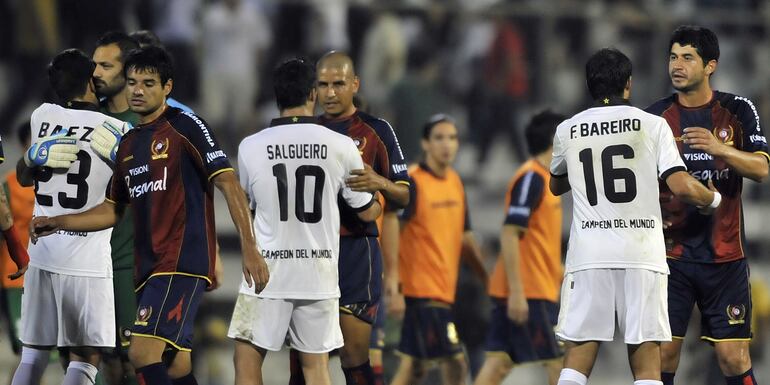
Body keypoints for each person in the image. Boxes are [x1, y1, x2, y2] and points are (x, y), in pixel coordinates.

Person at [30, 46, 268, 385]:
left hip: (181, 259)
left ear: (167, 87)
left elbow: (228, 183)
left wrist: (251, 249)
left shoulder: (185, 126)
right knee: (176, 367)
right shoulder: (129, 143)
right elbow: (113, 209)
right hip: (149, 267)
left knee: (140, 353)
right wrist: (59, 222)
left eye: (148, 83)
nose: (137, 90)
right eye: (132, 82)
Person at [548, 48, 720, 385]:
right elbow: (682, 186)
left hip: (590, 254)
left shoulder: (568, 129)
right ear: (628, 84)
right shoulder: (653, 126)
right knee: (646, 363)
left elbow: (556, 184)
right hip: (641, 254)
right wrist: (712, 198)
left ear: (589, 85)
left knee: (577, 358)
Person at [228, 58, 382, 385]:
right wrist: (380, 193)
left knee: (247, 359)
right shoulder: (341, 146)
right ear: (312, 94)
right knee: (316, 368)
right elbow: (367, 211)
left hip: (268, 272)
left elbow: (249, 206)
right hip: (320, 272)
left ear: (276, 96)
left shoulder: (250, 147)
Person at [646, 25, 769, 385]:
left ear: (710, 65)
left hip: (725, 259)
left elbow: (762, 168)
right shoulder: (654, 119)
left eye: (687, 58)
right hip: (671, 259)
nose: (676, 65)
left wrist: (720, 149)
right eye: (672, 57)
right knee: (664, 354)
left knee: (732, 358)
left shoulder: (737, 110)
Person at [288, 51, 411, 385]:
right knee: (302, 361)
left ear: (354, 84)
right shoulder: (304, 131)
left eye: (338, 84)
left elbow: (404, 194)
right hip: (309, 253)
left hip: (356, 252)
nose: (330, 93)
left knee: (354, 356)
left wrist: (380, 182)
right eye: (323, 85)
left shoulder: (376, 130)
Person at [11, 48, 128, 385]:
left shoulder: (41, 116)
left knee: (33, 354)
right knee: (86, 357)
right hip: (86, 260)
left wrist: (31, 157)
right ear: (91, 80)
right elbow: (120, 208)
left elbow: (22, 177)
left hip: (43, 254)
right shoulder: (116, 128)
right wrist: (127, 159)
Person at [390, 114, 487, 385]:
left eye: (453, 138)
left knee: (415, 368)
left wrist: (488, 279)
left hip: (444, 292)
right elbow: (391, 232)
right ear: (425, 143)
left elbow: (466, 238)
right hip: (420, 292)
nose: (447, 144)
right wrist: (394, 287)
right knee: (456, 362)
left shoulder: (455, 182)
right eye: (439, 138)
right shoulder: (412, 182)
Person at [473, 110, 565, 385]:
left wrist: (561, 271)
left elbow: (537, 241)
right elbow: (510, 233)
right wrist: (516, 293)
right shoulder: (531, 178)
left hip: (531, 288)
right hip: (528, 292)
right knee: (562, 363)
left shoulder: (546, 180)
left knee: (499, 364)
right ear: (556, 141)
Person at [91, 30, 142, 385]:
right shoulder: (82, 119)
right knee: (104, 363)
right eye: (94, 64)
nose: (96, 72)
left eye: (106, 66)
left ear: (127, 72)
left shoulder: (152, 125)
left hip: (132, 264)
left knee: (135, 361)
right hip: (88, 264)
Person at [0, 121, 35, 380]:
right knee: (28, 353)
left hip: (49, 274)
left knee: (49, 353)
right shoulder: (9, 187)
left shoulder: (64, 185)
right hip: (16, 279)